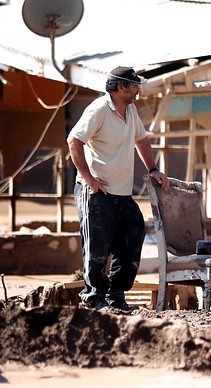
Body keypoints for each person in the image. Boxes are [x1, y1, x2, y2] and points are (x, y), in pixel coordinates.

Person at [67, 66, 170, 311]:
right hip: (96, 193)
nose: (137, 90)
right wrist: (88, 178)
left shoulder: (131, 110)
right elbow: (74, 140)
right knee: (97, 249)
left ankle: (115, 296)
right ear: (120, 87)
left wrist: (153, 169)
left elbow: (141, 139)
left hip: (123, 194)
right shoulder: (99, 109)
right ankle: (93, 298)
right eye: (134, 86)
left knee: (133, 238)